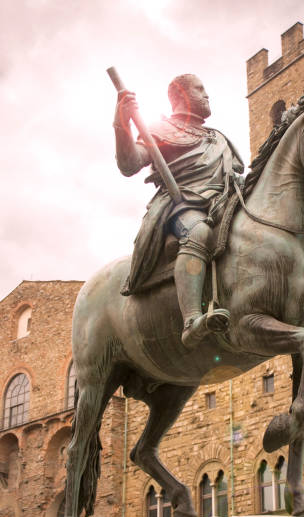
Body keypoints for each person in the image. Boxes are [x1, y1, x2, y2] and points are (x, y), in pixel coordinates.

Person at [114, 74, 244, 349]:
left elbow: (234, 175)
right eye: (200, 89)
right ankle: (191, 320)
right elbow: (129, 164)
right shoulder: (162, 130)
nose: (207, 95)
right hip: (183, 206)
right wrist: (121, 124)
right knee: (198, 233)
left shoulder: (217, 137)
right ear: (182, 96)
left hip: (223, 201)